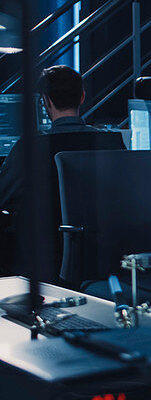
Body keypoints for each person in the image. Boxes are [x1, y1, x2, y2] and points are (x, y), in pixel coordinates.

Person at [0, 66, 125, 278]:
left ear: (46, 101)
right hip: (103, 260)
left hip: (44, 264)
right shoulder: (112, 142)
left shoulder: (31, 148)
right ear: (83, 96)